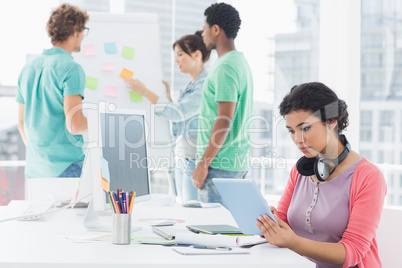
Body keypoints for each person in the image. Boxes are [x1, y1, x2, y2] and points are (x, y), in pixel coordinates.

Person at [256, 82, 387, 268]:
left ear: (331, 121)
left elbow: (353, 252)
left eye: (305, 128)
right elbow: (283, 222)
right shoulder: (300, 170)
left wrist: (293, 242)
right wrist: (270, 223)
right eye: (292, 131)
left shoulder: (368, 177)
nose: (297, 140)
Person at [125, 31, 210, 203]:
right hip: (183, 157)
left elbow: (177, 113)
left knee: (190, 211)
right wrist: (169, 98)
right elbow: (183, 115)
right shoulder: (192, 85)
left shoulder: (204, 85)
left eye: (180, 55)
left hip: (192, 159)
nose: (176, 60)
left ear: (197, 55)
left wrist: (144, 91)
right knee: (183, 208)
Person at [16, 3, 89, 178]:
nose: (83, 37)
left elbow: (21, 122)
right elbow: (75, 125)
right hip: (66, 168)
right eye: (83, 31)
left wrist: (40, 156)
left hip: (35, 169)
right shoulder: (71, 69)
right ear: (75, 30)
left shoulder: (27, 69)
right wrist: (104, 123)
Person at [191, 3, 253, 204]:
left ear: (216, 29)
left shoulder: (225, 67)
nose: (203, 34)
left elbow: (224, 120)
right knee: (228, 232)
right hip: (235, 163)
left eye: (205, 27)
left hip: (219, 166)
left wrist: (203, 164)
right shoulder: (239, 62)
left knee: (212, 232)